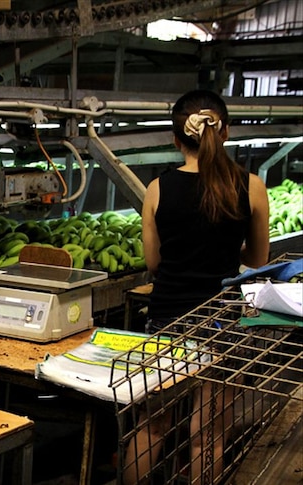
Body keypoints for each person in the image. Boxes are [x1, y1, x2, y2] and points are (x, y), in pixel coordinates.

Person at [122, 89, 270, 484]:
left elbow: (154, 263)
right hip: (223, 323)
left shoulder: (158, 188)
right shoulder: (251, 186)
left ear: (176, 138)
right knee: (209, 436)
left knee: (151, 425)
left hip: (167, 319)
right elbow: (256, 260)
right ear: (224, 133)